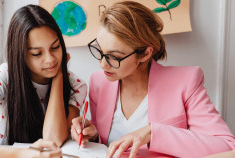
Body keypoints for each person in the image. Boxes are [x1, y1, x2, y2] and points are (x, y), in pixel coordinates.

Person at [71, 1, 235, 158]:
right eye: (100, 50)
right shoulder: (99, 82)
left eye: (114, 57)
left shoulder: (185, 82)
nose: (102, 65)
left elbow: (227, 147)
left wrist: (152, 133)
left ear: (145, 54)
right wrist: (92, 135)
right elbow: (106, 143)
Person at [0, 5, 87, 158]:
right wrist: (22, 154)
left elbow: (54, 138)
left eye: (55, 47)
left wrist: (59, 75)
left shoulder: (76, 85)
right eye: (37, 53)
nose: (50, 59)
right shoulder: (5, 76)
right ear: (20, 55)